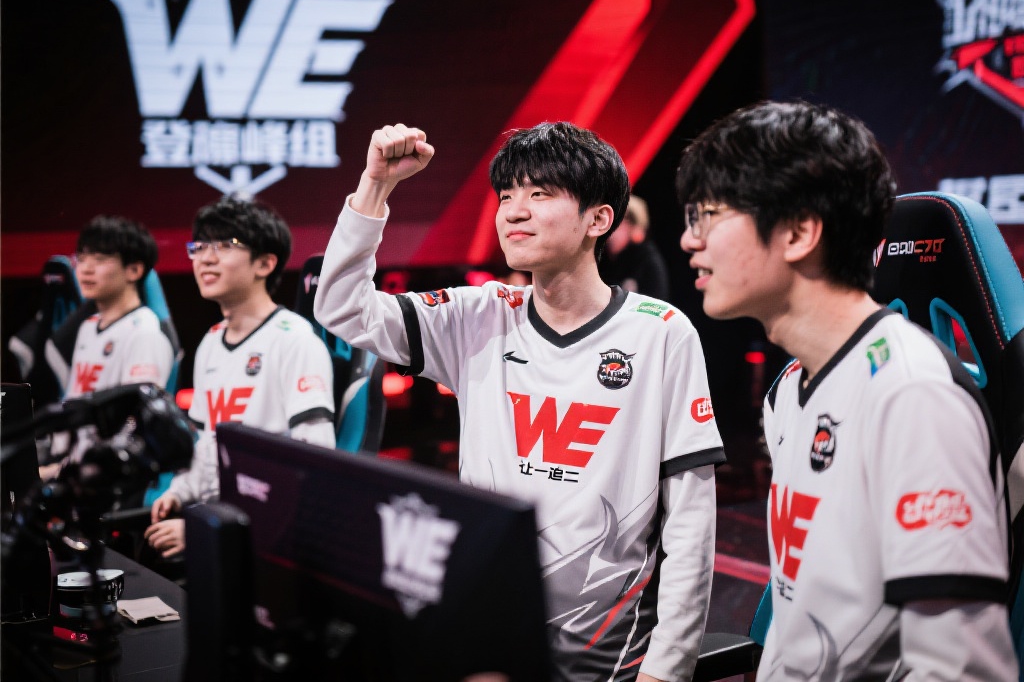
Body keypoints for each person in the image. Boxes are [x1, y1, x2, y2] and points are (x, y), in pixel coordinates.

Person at [314, 122, 724, 682]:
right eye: (506, 196)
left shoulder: (662, 333)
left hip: (606, 655)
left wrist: (667, 669)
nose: (513, 212)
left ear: (599, 219)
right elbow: (341, 308)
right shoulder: (477, 314)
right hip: (483, 636)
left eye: (540, 194)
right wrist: (375, 186)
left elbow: (691, 524)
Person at [676, 100, 1017, 680]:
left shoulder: (911, 396)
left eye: (708, 215)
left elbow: (959, 669)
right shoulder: (788, 392)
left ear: (799, 232)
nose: (690, 239)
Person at [145, 196, 335, 558]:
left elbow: (314, 466)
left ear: (265, 263)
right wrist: (179, 492)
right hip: (219, 521)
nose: (205, 258)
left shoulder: (294, 340)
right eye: (199, 247)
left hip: (269, 535)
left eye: (224, 245)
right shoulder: (211, 342)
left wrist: (206, 530)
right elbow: (206, 444)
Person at [42, 215, 175, 475]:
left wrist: (57, 471)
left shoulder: (145, 333)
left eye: (100, 259)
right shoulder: (88, 327)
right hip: (74, 469)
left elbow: (134, 429)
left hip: (113, 478)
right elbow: (74, 401)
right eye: (82, 258)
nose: (85, 269)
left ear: (134, 270)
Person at [599, 194, 671, 301]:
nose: (610, 232)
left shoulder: (648, 262)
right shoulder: (605, 259)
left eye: (618, 223)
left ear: (635, 227)